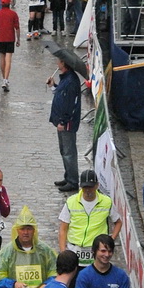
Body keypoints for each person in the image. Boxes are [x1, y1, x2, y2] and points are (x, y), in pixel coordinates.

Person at [58, 170, 118, 266]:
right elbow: (63, 228)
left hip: (95, 252)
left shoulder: (107, 202)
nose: (87, 190)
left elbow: (118, 222)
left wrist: (111, 239)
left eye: (90, 187)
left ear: (97, 185)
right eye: (85, 187)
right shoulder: (71, 202)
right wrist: (63, 252)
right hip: (74, 249)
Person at [49, 55, 82, 192]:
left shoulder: (71, 82)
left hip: (66, 123)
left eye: (58, 60)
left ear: (64, 63)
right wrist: (53, 86)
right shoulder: (66, 80)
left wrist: (63, 121)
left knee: (69, 152)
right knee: (64, 150)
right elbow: (61, 95)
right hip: (61, 121)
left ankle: (73, 181)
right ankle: (68, 176)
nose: (56, 62)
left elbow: (69, 104)